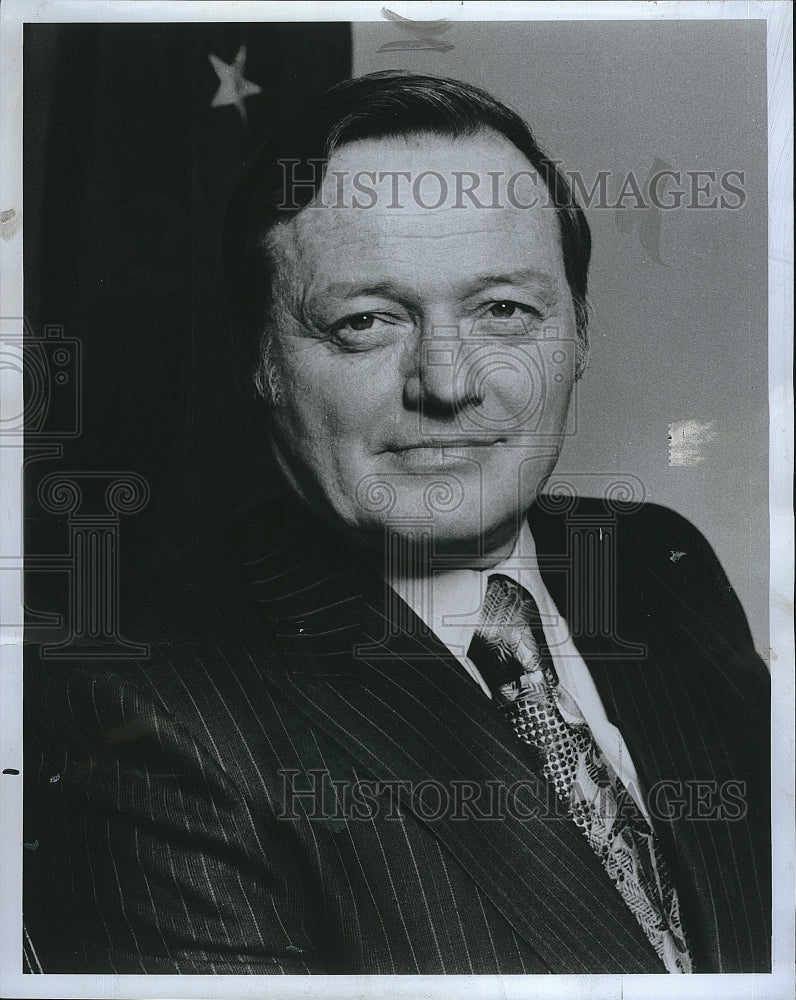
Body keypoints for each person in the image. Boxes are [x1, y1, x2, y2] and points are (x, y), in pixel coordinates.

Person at [24, 72, 770, 975]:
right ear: (257, 358)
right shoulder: (147, 710)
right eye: (366, 322)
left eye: (504, 310)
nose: (448, 384)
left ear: (581, 331)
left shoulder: (662, 562)